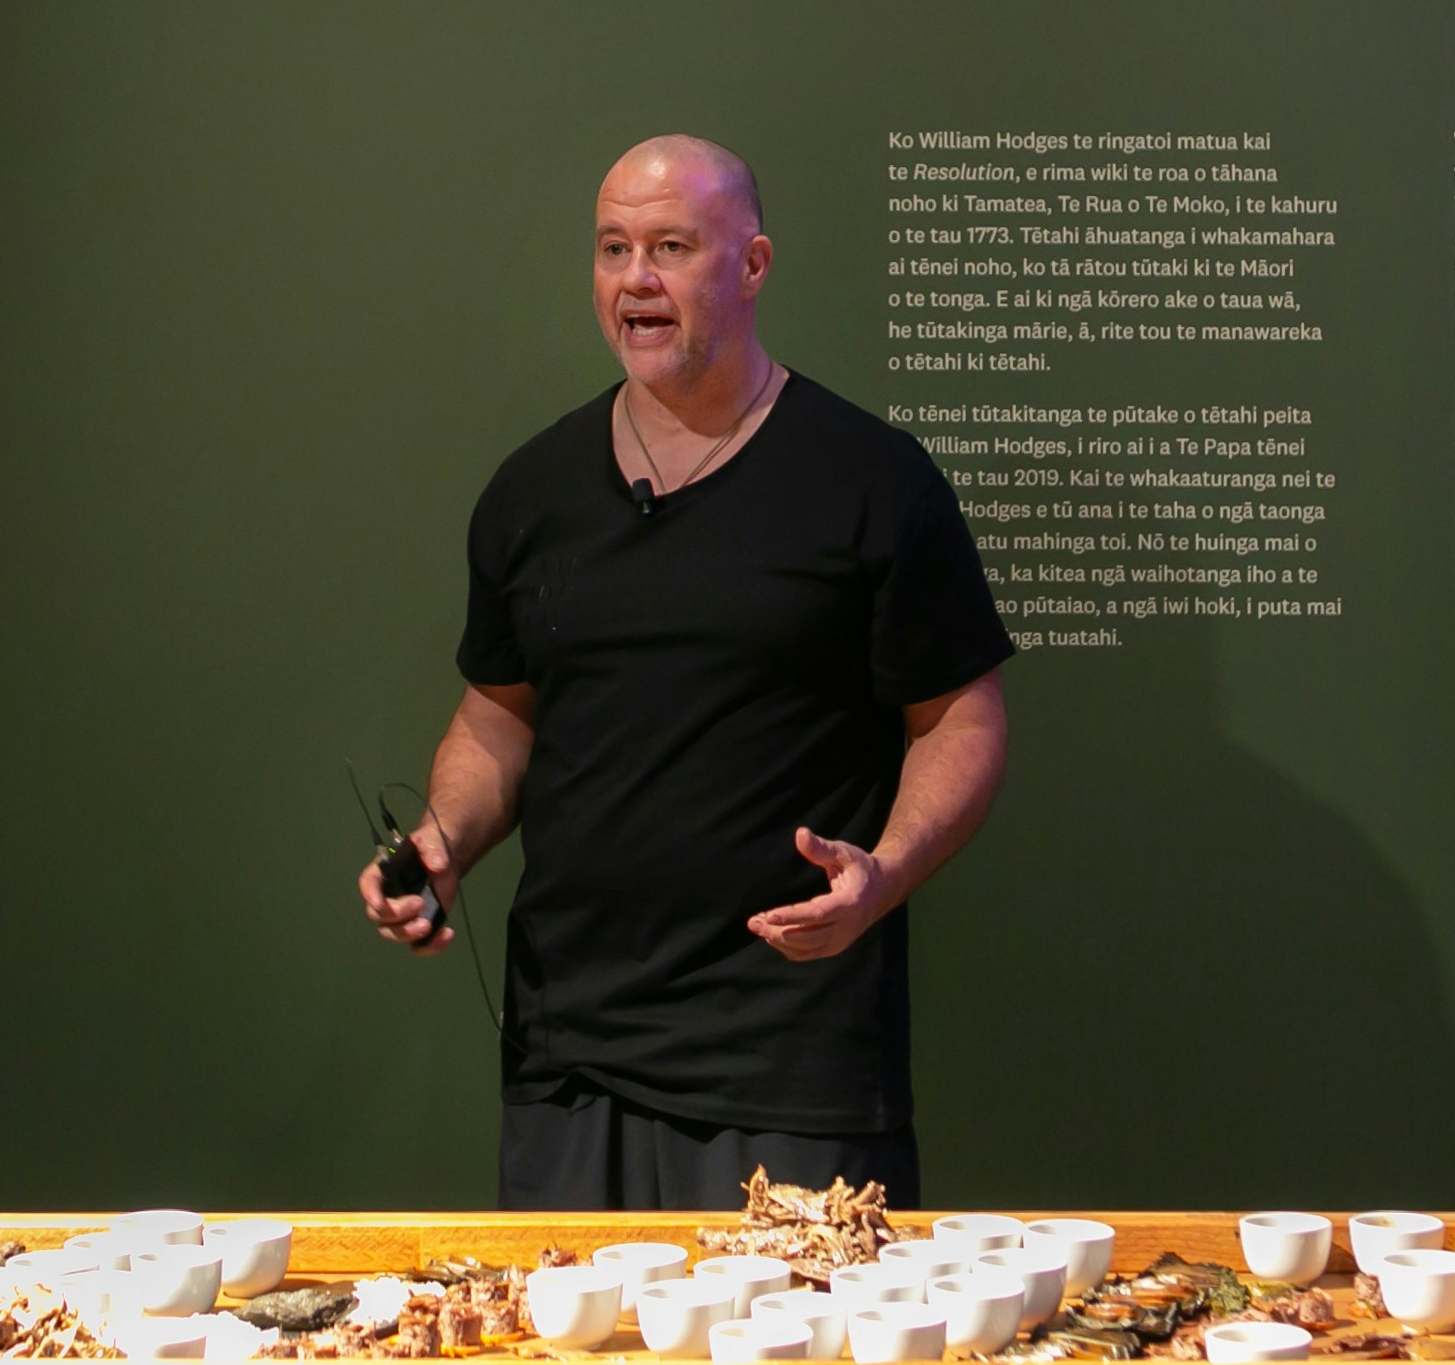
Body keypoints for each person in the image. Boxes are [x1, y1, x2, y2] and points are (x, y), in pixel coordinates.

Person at [356, 134, 1014, 1209]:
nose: (635, 279)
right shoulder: (535, 491)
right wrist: (444, 840)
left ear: (751, 265)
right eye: (613, 249)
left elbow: (958, 719)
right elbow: (499, 717)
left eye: (669, 246)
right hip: (570, 1057)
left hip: (791, 1064)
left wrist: (885, 870)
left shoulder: (870, 477)